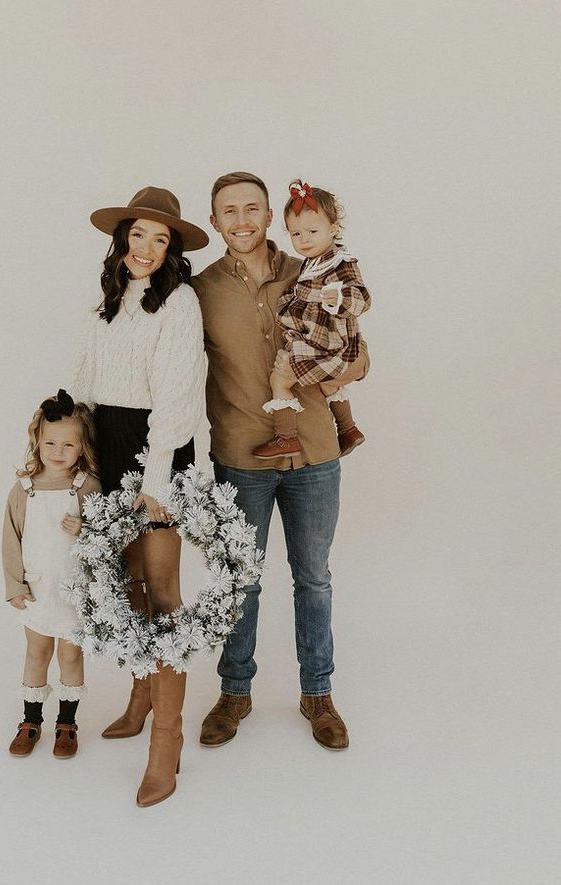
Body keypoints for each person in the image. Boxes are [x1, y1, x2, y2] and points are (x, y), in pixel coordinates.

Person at [192, 171, 365, 751]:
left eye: (252, 209)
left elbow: (360, 355)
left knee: (313, 578)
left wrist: (340, 371)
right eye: (229, 211)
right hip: (241, 456)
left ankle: (318, 693)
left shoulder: (311, 268)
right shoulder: (198, 290)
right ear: (215, 222)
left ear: (271, 217)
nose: (242, 220)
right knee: (239, 580)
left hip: (315, 453)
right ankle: (234, 693)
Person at [69, 186, 208, 806]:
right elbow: (84, 381)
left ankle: (167, 741)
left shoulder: (179, 302)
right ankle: (140, 695)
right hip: (109, 438)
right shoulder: (104, 303)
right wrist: (77, 453)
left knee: (164, 589)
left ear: (171, 247)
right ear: (122, 240)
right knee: (126, 584)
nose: (147, 247)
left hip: (159, 448)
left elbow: (177, 397)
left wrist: (154, 482)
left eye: (161, 238)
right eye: (138, 235)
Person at [2, 389, 101, 758]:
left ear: (81, 447)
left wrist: (86, 529)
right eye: (50, 443)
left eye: (68, 445)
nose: (58, 452)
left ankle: (67, 723)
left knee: (71, 657)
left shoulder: (86, 486)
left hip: (74, 590)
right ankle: (30, 721)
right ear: (37, 442)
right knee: (37, 651)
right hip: (38, 589)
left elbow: (106, 537)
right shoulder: (23, 490)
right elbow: (10, 539)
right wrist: (14, 584)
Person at [252, 179, 371, 459]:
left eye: (312, 231)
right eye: (295, 234)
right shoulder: (311, 262)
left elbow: (362, 298)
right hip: (321, 339)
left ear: (333, 228)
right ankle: (348, 429)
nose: (304, 240)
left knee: (279, 380)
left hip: (330, 343)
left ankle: (286, 437)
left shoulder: (340, 262)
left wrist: (340, 299)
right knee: (329, 383)